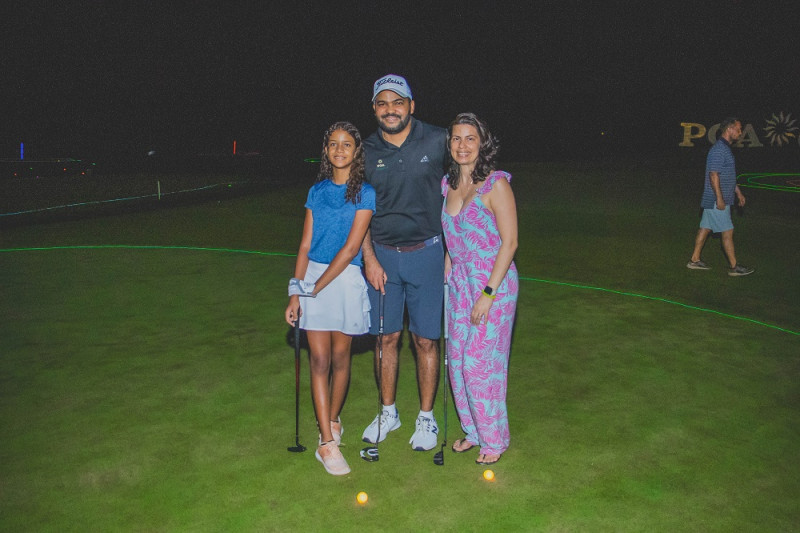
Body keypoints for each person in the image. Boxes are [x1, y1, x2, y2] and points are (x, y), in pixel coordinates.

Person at [360, 74, 448, 451]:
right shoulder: (365, 151)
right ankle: (388, 412)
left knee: (426, 340)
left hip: (428, 254)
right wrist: (368, 258)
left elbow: (465, 186)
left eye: (398, 102)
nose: (390, 109)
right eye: (382, 103)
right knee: (385, 338)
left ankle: (426, 419)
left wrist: (451, 251)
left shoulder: (439, 139)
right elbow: (359, 210)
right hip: (382, 259)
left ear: (412, 105)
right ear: (375, 109)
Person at [285, 122, 375, 476]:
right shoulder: (316, 191)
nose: (340, 149)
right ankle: (326, 441)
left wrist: (317, 287)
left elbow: (353, 247)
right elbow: (305, 245)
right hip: (313, 279)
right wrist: (297, 290)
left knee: (341, 357)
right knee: (319, 360)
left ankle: (333, 418)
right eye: (334, 144)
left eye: (347, 144)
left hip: (344, 278)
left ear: (356, 152)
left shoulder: (365, 193)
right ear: (326, 151)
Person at [441, 112, 518, 466]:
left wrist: (487, 294)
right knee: (456, 361)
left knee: (478, 363)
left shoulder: (495, 184)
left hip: (493, 285)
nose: (462, 145)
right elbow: (452, 235)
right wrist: (448, 269)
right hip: (459, 285)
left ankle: (494, 438)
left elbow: (510, 242)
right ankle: (473, 431)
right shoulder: (448, 185)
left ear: (482, 143)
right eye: (456, 138)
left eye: (470, 138)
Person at [687, 117, 754, 277]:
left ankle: (694, 260)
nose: (740, 132)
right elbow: (714, 175)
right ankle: (734, 267)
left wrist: (738, 192)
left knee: (705, 229)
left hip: (718, 199)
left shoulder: (725, 149)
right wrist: (720, 198)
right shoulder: (718, 150)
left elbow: (727, 176)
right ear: (729, 129)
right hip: (717, 200)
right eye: (738, 129)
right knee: (727, 231)